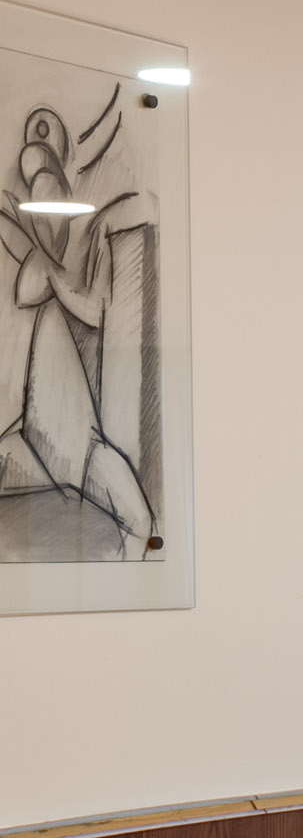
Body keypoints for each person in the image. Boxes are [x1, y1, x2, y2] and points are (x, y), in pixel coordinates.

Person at [0, 89, 157, 554]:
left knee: (141, 520)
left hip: (80, 446)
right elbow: (25, 291)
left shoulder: (96, 232)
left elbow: (92, 308)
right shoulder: (36, 248)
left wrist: (49, 263)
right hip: (33, 435)